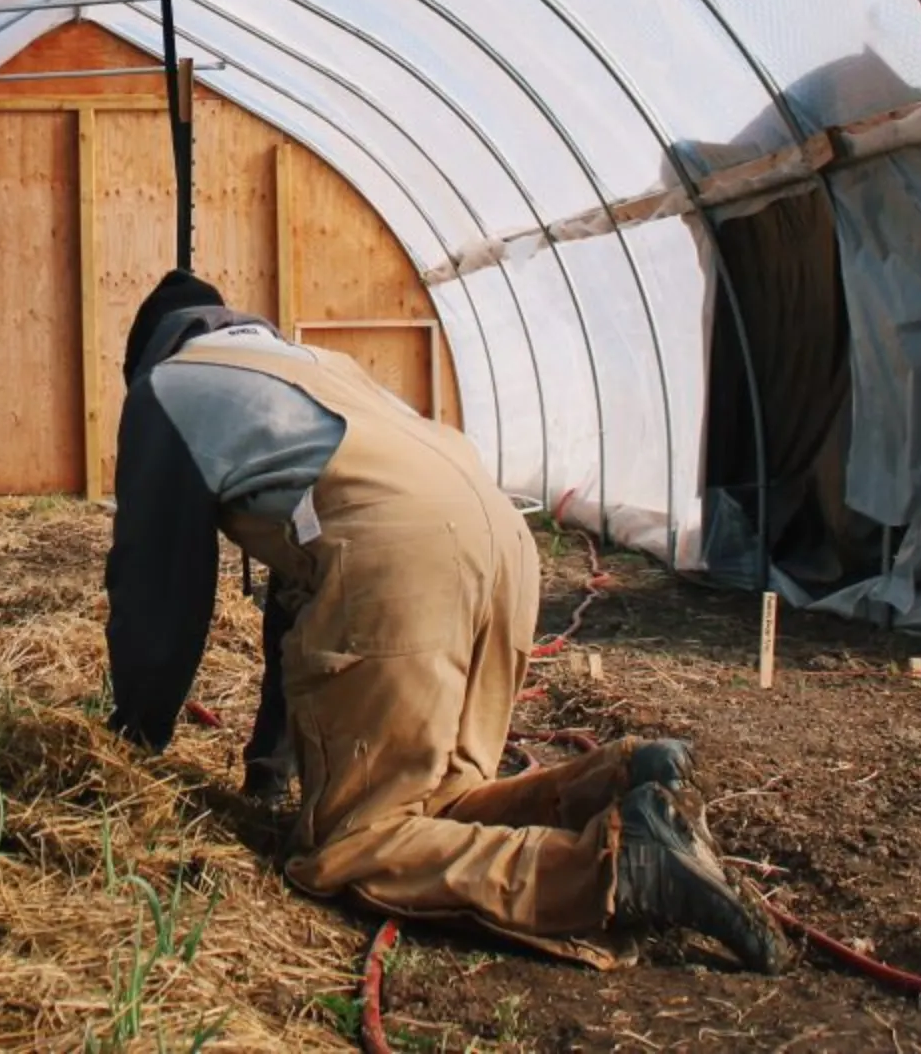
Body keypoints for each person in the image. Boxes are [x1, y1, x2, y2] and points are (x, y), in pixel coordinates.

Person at [103, 270, 787, 971]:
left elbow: (158, 590)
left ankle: (618, 869)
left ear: (147, 353)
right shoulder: (307, 370)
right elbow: (295, 602)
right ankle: (620, 781)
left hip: (402, 555)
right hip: (500, 542)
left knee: (350, 846)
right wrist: (269, 772)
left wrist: (129, 751)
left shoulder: (169, 390)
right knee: (439, 800)